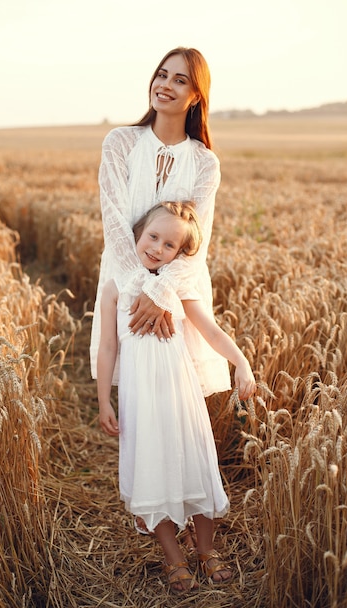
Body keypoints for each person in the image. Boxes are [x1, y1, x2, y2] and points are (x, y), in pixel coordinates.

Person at [97, 201, 257, 594]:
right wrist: (104, 400)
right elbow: (106, 349)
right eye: (153, 236)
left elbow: (212, 331)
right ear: (138, 234)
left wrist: (241, 363)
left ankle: (205, 549)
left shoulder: (176, 287)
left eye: (169, 244)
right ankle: (173, 556)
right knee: (152, 469)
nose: (157, 248)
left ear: (179, 253)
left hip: (180, 396)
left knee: (196, 464)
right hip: (140, 400)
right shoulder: (115, 286)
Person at [90, 46, 231, 398]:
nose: (165, 84)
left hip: (178, 295)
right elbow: (115, 226)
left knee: (175, 402)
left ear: (196, 96)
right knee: (137, 406)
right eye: (162, 74)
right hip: (124, 285)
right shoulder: (120, 143)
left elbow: (197, 244)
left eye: (179, 80)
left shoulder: (205, 163)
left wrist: (161, 293)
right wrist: (142, 290)